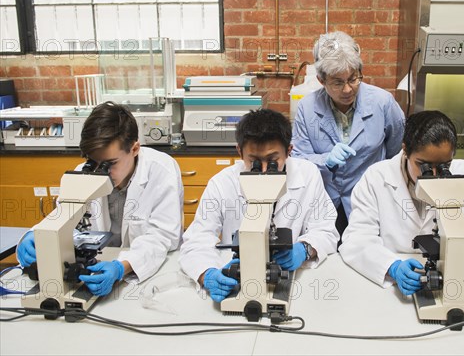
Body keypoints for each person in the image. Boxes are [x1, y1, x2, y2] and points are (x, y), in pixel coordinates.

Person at [340, 111, 464, 306]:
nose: (435, 174)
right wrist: (392, 267)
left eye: (445, 165)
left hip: (453, 283)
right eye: (424, 166)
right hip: (390, 291)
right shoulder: (376, 178)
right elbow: (357, 239)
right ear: (405, 150)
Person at [17, 102, 184, 296]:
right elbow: (62, 220)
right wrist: (37, 236)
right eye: (93, 162)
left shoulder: (162, 171)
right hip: (95, 269)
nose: (100, 172)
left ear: (135, 149)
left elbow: (162, 237)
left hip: (147, 273)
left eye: (109, 164)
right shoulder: (81, 175)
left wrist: (121, 267)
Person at [179, 109, 339, 302]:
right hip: (239, 276)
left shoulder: (308, 174)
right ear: (239, 152)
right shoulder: (222, 183)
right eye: (254, 162)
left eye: (272, 161)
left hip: (293, 278)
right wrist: (207, 273)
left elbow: (326, 230)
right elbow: (197, 240)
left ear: (289, 151)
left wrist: (304, 249)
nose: (264, 171)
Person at [292, 31, 405, 243]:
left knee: (366, 256)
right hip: (324, 201)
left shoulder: (383, 103)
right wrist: (325, 160)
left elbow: (396, 153)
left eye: (353, 79)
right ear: (321, 80)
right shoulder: (307, 108)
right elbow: (298, 160)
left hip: (370, 202)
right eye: (337, 82)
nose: (347, 89)